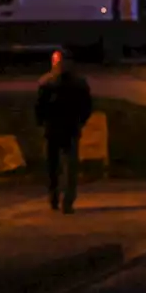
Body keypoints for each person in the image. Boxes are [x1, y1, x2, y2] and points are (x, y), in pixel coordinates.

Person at [34, 50, 93, 214]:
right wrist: (81, 122)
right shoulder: (78, 83)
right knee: (65, 167)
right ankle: (65, 200)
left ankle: (57, 198)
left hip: (57, 129)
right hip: (65, 128)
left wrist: (41, 123)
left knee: (56, 166)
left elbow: (39, 107)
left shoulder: (47, 82)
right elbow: (87, 106)